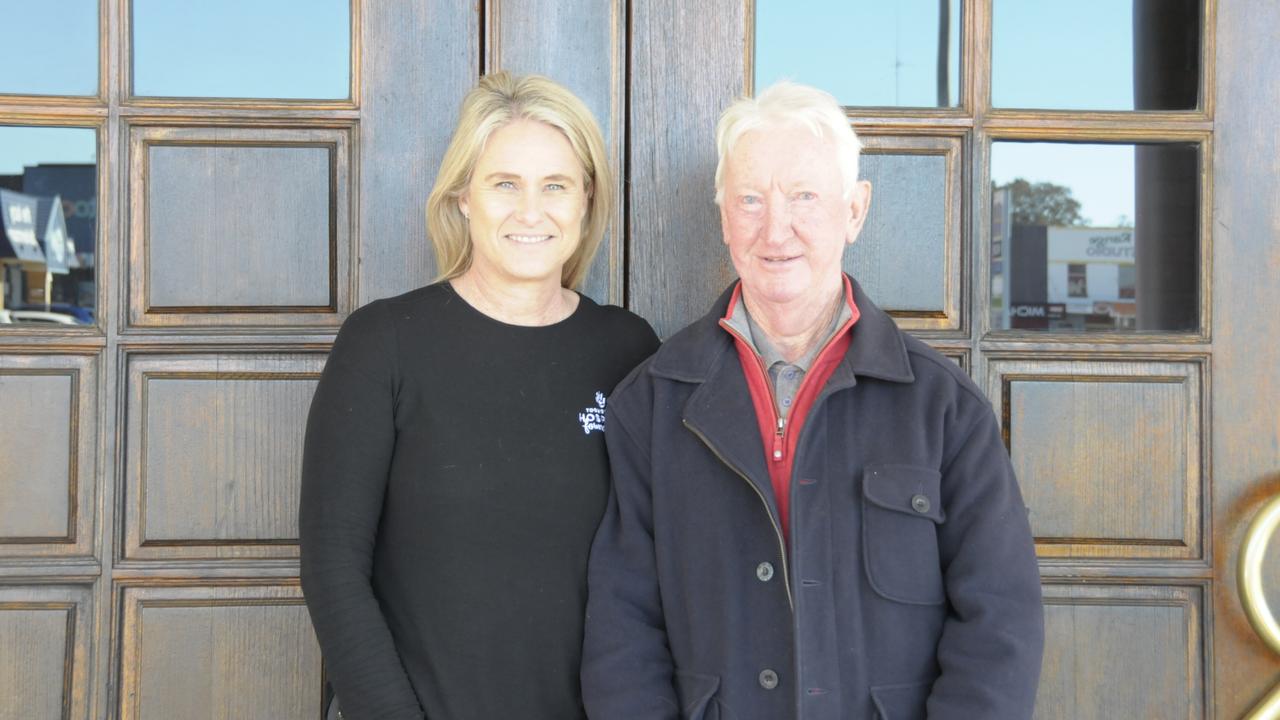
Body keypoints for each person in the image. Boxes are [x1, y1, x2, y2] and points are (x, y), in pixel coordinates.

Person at [581, 81, 1044, 720]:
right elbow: (621, 628)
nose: (776, 228)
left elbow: (1000, 625)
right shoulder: (652, 403)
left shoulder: (946, 409)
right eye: (750, 199)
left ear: (854, 210)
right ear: (721, 214)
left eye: (804, 196)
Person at [300, 72, 659, 720]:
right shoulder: (385, 342)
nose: (531, 211)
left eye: (555, 185)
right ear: (464, 196)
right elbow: (333, 566)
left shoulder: (627, 349)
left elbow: (656, 561)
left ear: (585, 200)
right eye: (504, 184)